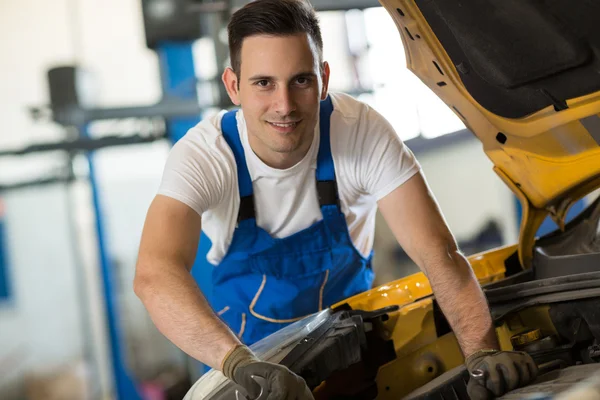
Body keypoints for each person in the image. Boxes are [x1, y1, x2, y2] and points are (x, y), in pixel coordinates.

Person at [134, 0, 537, 398]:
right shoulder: (205, 155)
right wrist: (241, 365)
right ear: (234, 86)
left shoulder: (361, 132)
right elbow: (155, 273)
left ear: (324, 79)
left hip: (351, 356)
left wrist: (483, 351)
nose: (284, 106)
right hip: (247, 367)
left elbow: (438, 252)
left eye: (301, 80)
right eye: (263, 83)